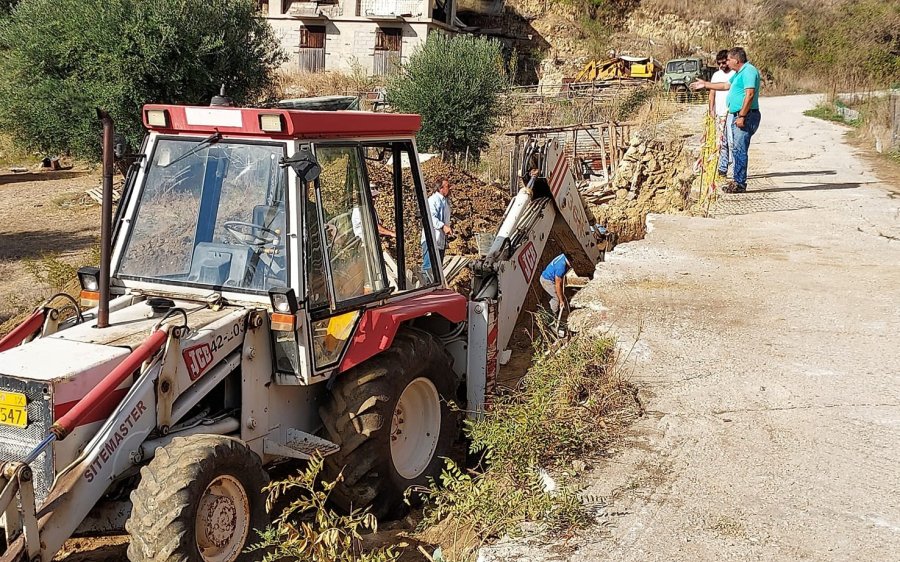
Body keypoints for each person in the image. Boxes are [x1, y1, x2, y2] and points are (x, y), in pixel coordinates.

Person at [690, 47, 761, 193]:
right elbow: (725, 85)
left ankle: (740, 183)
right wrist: (705, 84)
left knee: (739, 149)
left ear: (736, 60)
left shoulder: (748, 71)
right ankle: (736, 180)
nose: (727, 63)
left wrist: (742, 116)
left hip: (746, 116)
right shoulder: (739, 73)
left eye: (728, 59)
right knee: (735, 149)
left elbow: (750, 94)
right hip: (737, 115)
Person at [709, 50, 735, 179]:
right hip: (720, 113)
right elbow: (712, 92)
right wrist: (711, 109)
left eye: (724, 62)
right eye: (719, 64)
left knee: (732, 142)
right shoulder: (716, 76)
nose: (722, 66)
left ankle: (736, 169)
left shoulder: (735, 74)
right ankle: (722, 168)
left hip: (731, 113)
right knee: (722, 142)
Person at [422, 178, 452, 280]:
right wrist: (443, 226)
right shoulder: (433, 200)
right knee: (429, 268)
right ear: (441, 188)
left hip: (440, 241)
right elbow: (431, 218)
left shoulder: (445, 202)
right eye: (447, 186)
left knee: (437, 270)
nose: (449, 188)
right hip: (431, 239)